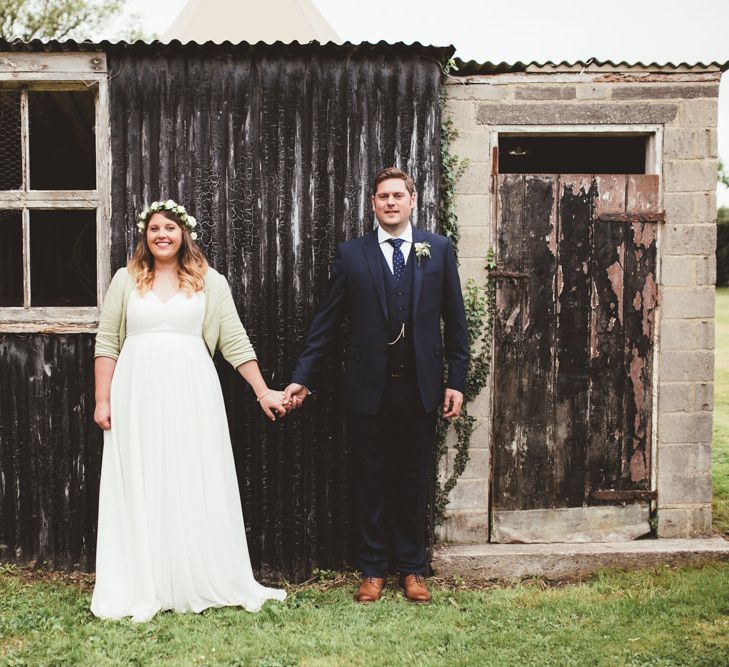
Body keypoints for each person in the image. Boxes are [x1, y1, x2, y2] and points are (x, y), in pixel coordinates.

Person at [91, 199, 287, 622]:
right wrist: (103, 399)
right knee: (145, 476)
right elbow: (107, 341)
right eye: (155, 228)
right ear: (145, 235)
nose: (162, 235)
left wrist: (262, 391)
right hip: (136, 394)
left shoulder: (209, 282)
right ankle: (146, 580)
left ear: (185, 234)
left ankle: (193, 572)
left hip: (192, 392)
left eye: (171, 228)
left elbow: (234, 340)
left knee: (190, 473)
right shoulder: (126, 280)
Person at [284, 167, 469, 604]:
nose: (390, 202)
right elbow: (325, 324)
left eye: (397, 196)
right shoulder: (352, 254)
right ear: (373, 204)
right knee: (369, 480)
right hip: (369, 389)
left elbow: (455, 323)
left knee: (413, 479)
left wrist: (455, 381)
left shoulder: (437, 250)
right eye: (382, 196)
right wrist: (301, 378)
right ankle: (371, 570)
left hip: (421, 388)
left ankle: (412, 569)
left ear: (411, 201)